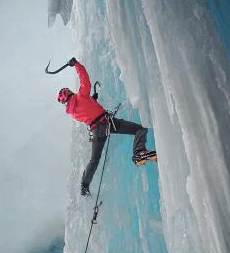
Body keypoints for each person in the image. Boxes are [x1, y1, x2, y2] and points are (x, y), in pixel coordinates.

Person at [57, 58, 156, 196]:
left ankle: (84, 186)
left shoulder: (72, 112)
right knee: (140, 129)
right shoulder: (81, 96)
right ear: (70, 93)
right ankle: (139, 152)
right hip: (108, 123)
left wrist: (93, 100)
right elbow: (85, 79)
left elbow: (87, 111)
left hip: (97, 131)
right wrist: (76, 65)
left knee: (94, 160)